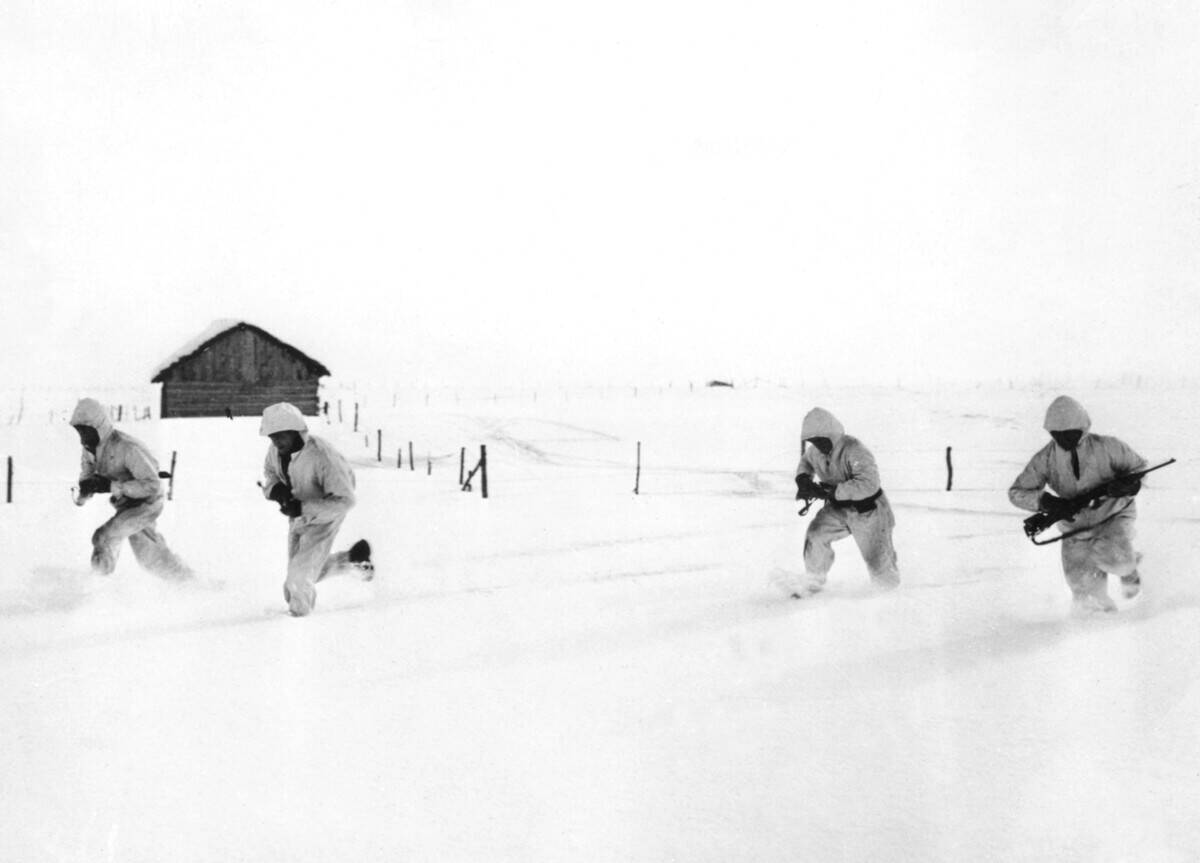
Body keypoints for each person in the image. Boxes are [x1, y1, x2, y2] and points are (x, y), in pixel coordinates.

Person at [1009, 395, 1147, 613]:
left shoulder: (1108, 446)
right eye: (1058, 435)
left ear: (1083, 428)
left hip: (1114, 515)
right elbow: (1017, 492)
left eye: (1070, 433)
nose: (1064, 439)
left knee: (1116, 557)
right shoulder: (1044, 459)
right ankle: (1102, 635)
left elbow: (1138, 468)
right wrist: (1045, 501)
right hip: (1074, 528)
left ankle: (1129, 571)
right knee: (1086, 597)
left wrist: (1130, 486)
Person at [259, 402, 373, 617]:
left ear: (295, 432)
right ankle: (351, 562)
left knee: (298, 580)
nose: (275, 441)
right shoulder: (276, 450)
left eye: (280, 436)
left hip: (326, 516)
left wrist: (303, 507)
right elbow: (270, 473)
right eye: (271, 436)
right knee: (301, 576)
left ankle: (298, 624)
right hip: (298, 517)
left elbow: (346, 500)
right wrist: (278, 491)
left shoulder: (322, 456)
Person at [69, 397, 191, 578]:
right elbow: (86, 476)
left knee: (104, 537)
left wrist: (111, 486)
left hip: (146, 503)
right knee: (151, 558)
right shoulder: (89, 449)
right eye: (79, 431)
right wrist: (84, 492)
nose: (83, 438)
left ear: (99, 427)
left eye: (86, 431)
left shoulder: (127, 448)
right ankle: (191, 584)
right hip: (126, 504)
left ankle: (96, 583)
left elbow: (152, 486)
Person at [787, 407, 900, 598]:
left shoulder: (854, 449)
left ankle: (889, 597)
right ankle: (813, 584)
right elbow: (806, 462)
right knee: (816, 536)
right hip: (838, 508)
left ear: (830, 434)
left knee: (877, 558)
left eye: (820, 440)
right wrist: (803, 479)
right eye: (812, 441)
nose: (816, 445)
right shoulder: (815, 452)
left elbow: (868, 484)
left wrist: (831, 491)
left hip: (869, 511)